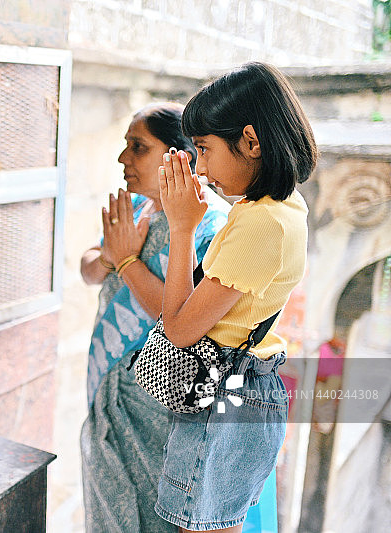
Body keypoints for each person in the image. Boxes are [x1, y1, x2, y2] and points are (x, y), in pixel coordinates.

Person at [156, 62, 316, 532]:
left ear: (251, 141)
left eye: (204, 149)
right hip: (245, 387)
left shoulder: (260, 224)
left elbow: (181, 331)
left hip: (226, 390)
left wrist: (182, 227)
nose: (200, 169)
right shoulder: (280, 207)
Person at [80, 103, 230, 532]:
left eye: (138, 147)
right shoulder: (144, 210)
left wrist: (127, 261)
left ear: (178, 156)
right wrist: (109, 256)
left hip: (159, 405)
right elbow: (89, 268)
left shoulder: (210, 224)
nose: (123, 158)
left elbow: (182, 319)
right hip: (112, 386)